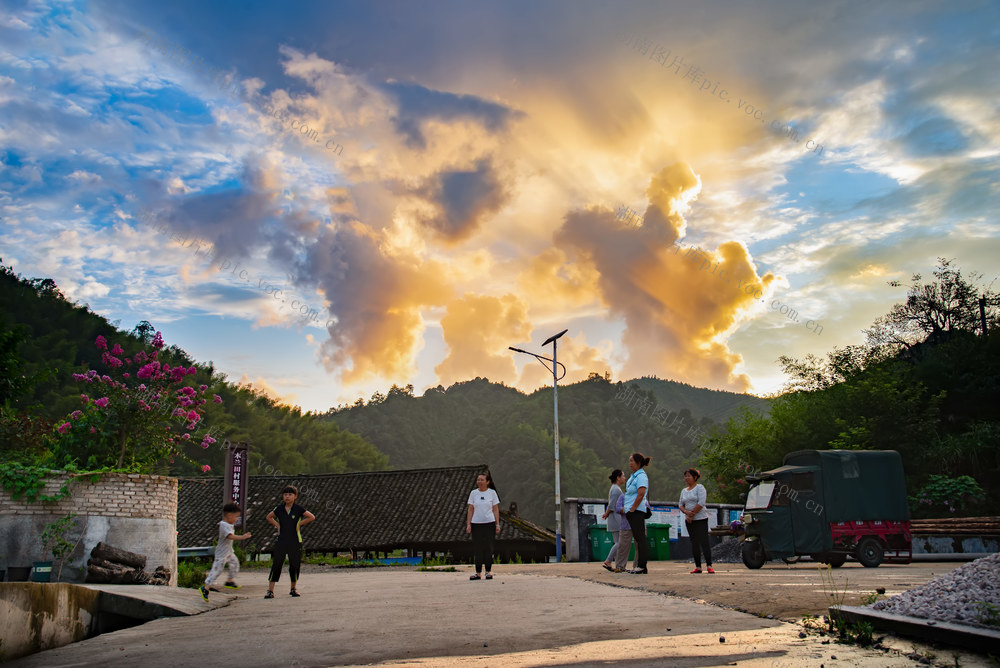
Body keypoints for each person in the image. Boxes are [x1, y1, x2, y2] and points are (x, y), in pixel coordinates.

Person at [265, 486, 316, 598]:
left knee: (294, 565)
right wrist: (277, 525)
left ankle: (293, 589)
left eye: (290, 494)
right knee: (277, 564)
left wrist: (299, 524)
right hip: (281, 540)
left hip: (295, 540)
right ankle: (270, 590)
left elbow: (311, 517)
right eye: (285, 494)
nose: (287, 496)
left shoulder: (298, 509)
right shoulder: (279, 509)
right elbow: (268, 517)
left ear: (295, 496)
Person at [199, 502, 252, 601]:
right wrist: (242, 537)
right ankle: (205, 588)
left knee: (235, 564)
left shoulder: (229, 524)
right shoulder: (223, 525)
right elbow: (230, 536)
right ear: (229, 515)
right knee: (217, 570)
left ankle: (229, 581)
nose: (236, 519)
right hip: (222, 553)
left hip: (229, 552)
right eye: (236, 517)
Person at [466, 472, 500, 580]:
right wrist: (468, 524)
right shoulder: (473, 493)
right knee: (478, 548)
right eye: (478, 480)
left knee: (489, 548)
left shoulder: (492, 493)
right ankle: (478, 572)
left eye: (482, 480)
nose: (479, 482)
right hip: (476, 524)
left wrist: (497, 524)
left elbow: (495, 509)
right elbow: (471, 509)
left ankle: (488, 571)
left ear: (487, 482)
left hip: (489, 523)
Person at [680, 468, 714, 574]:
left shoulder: (700, 488)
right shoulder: (684, 491)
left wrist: (692, 514)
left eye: (689, 476)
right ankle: (698, 566)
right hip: (689, 521)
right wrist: (686, 512)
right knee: (694, 543)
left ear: (695, 477)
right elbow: (680, 504)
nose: (687, 478)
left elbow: (701, 502)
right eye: (685, 476)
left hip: (700, 519)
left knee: (704, 542)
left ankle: (709, 565)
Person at [624, 452, 652, 574]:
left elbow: (641, 494)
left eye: (632, 461)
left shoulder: (641, 476)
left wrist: (632, 509)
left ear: (638, 463)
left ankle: (642, 566)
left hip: (637, 511)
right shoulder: (634, 476)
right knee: (638, 538)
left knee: (640, 539)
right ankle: (640, 566)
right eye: (629, 461)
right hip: (631, 511)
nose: (630, 463)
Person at [601, 469, 625, 572]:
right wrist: (606, 513)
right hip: (616, 518)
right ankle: (608, 560)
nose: (624, 478)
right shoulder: (616, 490)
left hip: (615, 518)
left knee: (618, 542)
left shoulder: (615, 488)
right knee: (619, 542)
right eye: (623, 476)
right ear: (618, 478)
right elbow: (612, 505)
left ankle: (613, 562)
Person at [612, 485, 633, 572]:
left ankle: (638, 566)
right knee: (622, 546)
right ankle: (620, 566)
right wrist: (627, 509)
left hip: (638, 525)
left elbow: (647, 508)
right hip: (626, 525)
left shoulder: (641, 497)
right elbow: (617, 508)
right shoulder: (623, 497)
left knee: (639, 546)